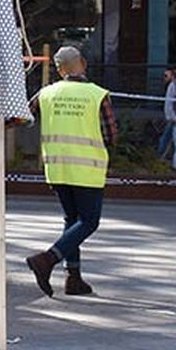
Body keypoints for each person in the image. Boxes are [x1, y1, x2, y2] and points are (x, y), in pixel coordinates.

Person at [24, 45, 114, 297]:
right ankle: (47, 259)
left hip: (57, 167)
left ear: (58, 69)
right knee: (89, 221)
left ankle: (73, 278)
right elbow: (111, 134)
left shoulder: (46, 93)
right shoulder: (97, 95)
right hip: (87, 169)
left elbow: (23, 116)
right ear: (83, 63)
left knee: (72, 220)